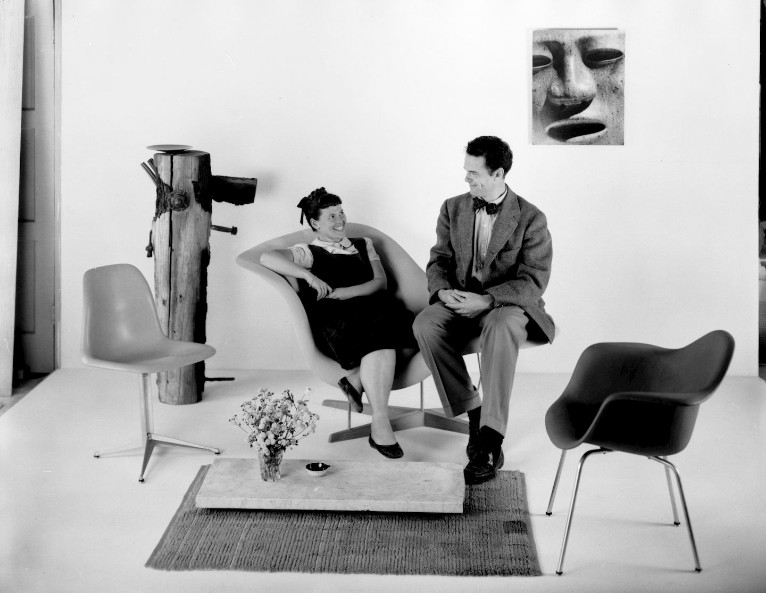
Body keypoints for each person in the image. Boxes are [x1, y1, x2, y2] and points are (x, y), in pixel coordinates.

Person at [413, 136, 555, 484]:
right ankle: (474, 411)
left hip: (506, 304)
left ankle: (490, 441)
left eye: (474, 173)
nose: (466, 178)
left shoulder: (531, 218)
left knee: (502, 326)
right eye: (466, 170)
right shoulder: (452, 208)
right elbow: (438, 260)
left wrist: (488, 300)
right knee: (425, 324)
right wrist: (442, 291)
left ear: (498, 174)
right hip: (460, 299)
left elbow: (533, 281)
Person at [259, 188, 416, 458]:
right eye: (331, 216)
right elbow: (267, 257)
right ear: (315, 223)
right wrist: (309, 277)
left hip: (374, 311)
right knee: (382, 333)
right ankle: (380, 423)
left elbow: (380, 283)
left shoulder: (363, 244)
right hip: (339, 321)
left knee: (401, 323)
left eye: (341, 213)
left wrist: (346, 292)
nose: (340, 220)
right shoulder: (309, 252)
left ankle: (355, 378)